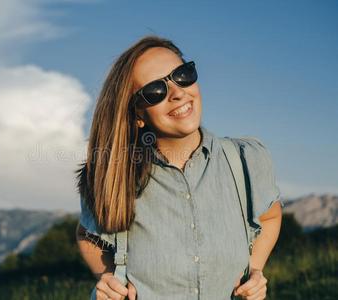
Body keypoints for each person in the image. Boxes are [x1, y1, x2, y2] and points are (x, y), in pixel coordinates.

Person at [75, 35, 283, 300]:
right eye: (155, 91)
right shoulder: (114, 176)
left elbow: (270, 216)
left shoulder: (246, 160)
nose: (177, 93)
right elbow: (86, 233)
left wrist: (254, 269)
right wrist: (106, 277)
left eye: (182, 74)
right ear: (138, 115)